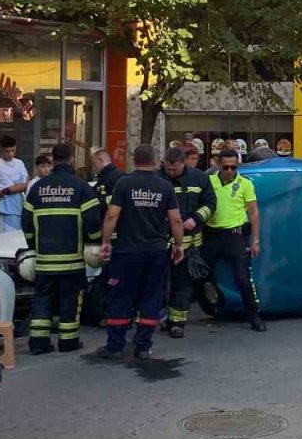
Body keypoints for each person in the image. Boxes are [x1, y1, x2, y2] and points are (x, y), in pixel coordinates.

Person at [96, 145, 184, 360]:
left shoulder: (124, 183)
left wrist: (106, 241)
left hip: (127, 251)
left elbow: (111, 216)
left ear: (134, 160)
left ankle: (115, 346)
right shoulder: (164, 186)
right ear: (155, 161)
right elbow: (175, 219)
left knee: (120, 296)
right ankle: (143, 346)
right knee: (151, 297)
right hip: (155, 252)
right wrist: (178, 245)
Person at [22, 144, 102, 355]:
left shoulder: (38, 188)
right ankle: (68, 342)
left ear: (52, 160)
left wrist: (33, 246)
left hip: (44, 260)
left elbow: (26, 222)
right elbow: (93, 221)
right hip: (72, 259)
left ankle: (38, 343)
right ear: (72, 159)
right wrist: (93, 242)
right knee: (70, 301)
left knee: (42, 300)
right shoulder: (81, 187)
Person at [202, 149, 265, 331]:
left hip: (235, 236)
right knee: (197, 273)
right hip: (212, 235)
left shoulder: (244, 184)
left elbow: (253, 212)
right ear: (218, 165)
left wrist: (255, 240)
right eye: (226, 167)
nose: (230, 171)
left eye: (233, 167)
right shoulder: (209, 181)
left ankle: (254, 316)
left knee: (243, 278)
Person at [159, 146, 216, 338]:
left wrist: (196, 219)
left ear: (184, 164)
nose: (171, 172)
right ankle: (157, 318)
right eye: (168, 168)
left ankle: (177, 322)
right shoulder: (157, 178)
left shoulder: (199, 178)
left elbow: (210, 203)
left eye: (174, 169)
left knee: (182, 284)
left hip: (189, 242)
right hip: (160, 241)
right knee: (157, 283)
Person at [0, 135, 29, 232]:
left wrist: (20, 186)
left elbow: (26, 183)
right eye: (7, 151)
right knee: (8, 237)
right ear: (1, 150)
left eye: (12, 150)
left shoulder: (19, 163)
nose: (10, 154)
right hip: (7, 209)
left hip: (21, 206)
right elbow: (10, 189)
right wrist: (21, 186)